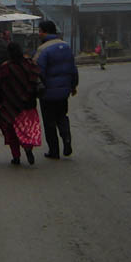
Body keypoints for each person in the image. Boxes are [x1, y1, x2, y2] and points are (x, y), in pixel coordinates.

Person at [33, 20, 78, 159]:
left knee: (49, 122)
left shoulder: (43, 50)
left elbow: (38, 71)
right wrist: (73, 86)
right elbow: (73, 69)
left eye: (40, 31)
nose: (39, 34)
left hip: (48, 93)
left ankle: (54, 151)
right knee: (62, 116)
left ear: (45, 32)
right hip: (64, 91)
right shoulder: (66, 46)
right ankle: (67, 138)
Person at [0, 42, 43, 166]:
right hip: (29, 105)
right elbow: (37, 79)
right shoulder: (30, 64)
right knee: (28, 129)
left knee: (11, 132)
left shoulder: (5, 67)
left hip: (10, 105)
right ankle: (28, 148)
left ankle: (16, 157)